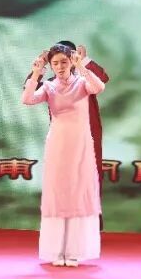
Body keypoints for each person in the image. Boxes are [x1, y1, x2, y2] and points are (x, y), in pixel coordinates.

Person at [23, 43, 106, 267]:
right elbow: (27, 99)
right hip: (58, 144)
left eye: (64, 62)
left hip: (80, 144)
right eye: (55, 63)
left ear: (71, 62)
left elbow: (99, 87)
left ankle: (74, 251)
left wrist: (83, 67)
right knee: (58, 194)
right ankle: (56, 251)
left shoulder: (82, 83)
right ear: (51, 66)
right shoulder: (49, 87)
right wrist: (36, 73)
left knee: (78, 192)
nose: (60, 67)